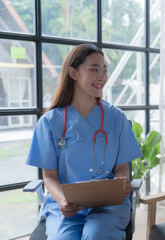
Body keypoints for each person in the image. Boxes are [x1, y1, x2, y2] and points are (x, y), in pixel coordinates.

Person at [26, 44, 142, 240]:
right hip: (66, 205)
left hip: (107, 205)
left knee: (96, 234)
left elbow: (122, 167)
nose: (102, 77)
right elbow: (50, 177)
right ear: (73, 73)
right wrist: (63, 201)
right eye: (94, 69)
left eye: (104, 70)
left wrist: (121, 181)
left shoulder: (116, 117)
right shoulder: (49, 123)